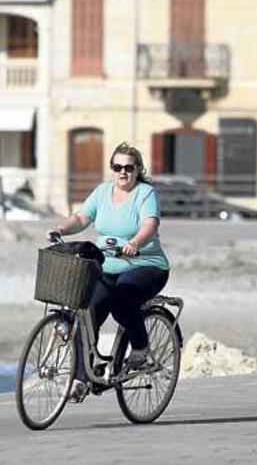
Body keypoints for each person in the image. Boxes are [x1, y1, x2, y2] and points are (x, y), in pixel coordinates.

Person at [46, 143, 170, 402]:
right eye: (117, 167)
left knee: (123, 299)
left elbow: (150, 223)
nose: (122, 172)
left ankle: (140, 347)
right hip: (108, 264)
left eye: (128, 167)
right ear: (112, 169)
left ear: (137, 170)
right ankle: (82, 378)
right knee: (87, 309)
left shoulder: (145, 193)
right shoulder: (102, 192)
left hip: (145, 264)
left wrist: (135, 243)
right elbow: (81, 218)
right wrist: (60, 229)